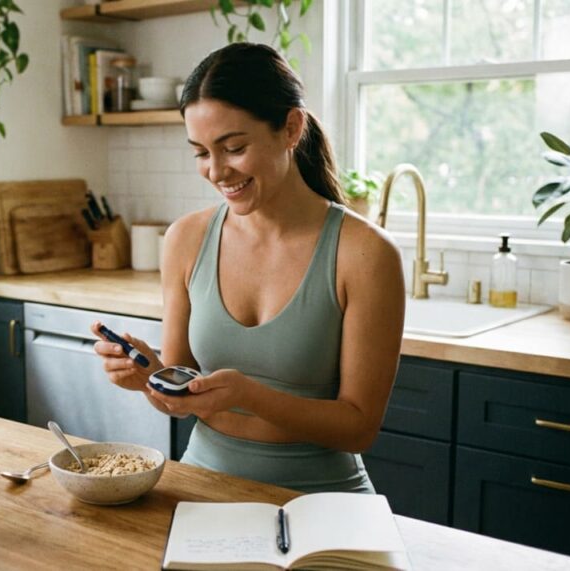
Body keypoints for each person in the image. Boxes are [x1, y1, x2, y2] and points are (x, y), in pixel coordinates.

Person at [91, 43, 405, 494]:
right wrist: (148, 376)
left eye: (233, 147)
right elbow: (179, 396)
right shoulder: (185, 240)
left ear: (291, 128)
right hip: (203, 482)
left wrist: (249, 395)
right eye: (200, 152)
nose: (217, 172)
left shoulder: (365, 254)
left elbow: (359, 428)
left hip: (324, 499)